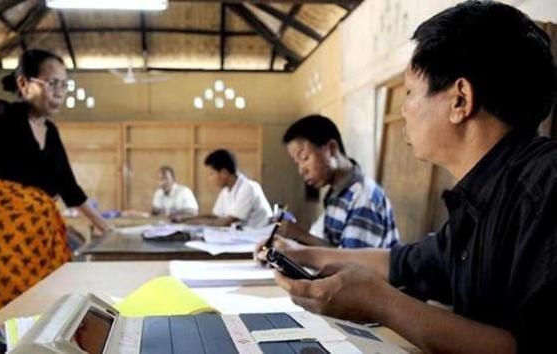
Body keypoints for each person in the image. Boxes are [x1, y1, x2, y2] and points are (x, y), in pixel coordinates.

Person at [267, 2, 557, 353]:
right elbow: (401, 262)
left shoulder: (545, 188)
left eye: (409, 92)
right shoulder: (479, 197)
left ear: (459, 100)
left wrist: (382, 303)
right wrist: (302, 254)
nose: (404, 109)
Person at [0, 49, 111, 329]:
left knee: (44, 316)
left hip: (38, 239)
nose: (60, 91)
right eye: (53, 83)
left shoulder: (51, 132)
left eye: (64, 84)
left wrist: (107, 229)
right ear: (24, 84)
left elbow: (70, 189)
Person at [276, 115, 399, 248]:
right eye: (297, 162)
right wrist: (296, 238)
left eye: (304, 158)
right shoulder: (336, 193)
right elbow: (335, 249)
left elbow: (353, 263)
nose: (301, 170)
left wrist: (301, 236)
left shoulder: (364, 196)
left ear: (332, 149)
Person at [180, 149, 272, 228]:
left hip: (257, 239)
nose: (210, 178)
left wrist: (195, 223)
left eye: (212, 174)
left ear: (224, 173)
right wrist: (187, 218)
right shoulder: (226, 190)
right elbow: (217, 216)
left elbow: (228, 222)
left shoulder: (249, 187)